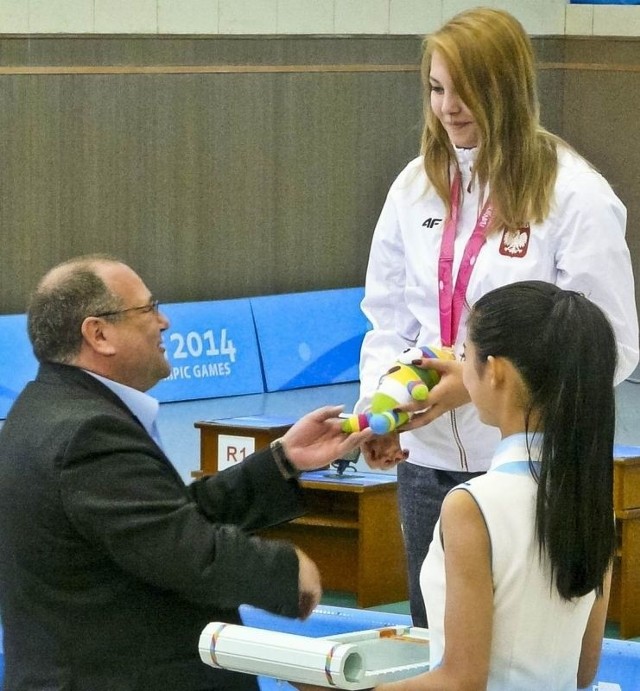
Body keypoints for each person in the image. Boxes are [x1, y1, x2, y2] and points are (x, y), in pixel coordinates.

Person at [356, 6, 639, 627]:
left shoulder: (575, 195)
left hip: (532, 468)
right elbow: (386, 320)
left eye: (468, 91)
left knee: (524, 652)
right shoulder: (412, 188)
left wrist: (477, 383)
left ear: (508, 90)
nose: (449, 108)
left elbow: (609, 345)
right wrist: (382, 408)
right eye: (437, 89)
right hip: (426, 468)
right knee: (435, 647)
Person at [0, 255, 372, 691]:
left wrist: (282, 460)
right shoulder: (87, 432)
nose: (165, 322)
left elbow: (160, 521)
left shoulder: (44, 409)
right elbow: (185, 552)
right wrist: (287, 571)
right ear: (98, 333)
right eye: (148, 309)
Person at [299, 280, 617, 690]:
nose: (459, 367)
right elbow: (582, 673)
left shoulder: (472, 506)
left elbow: (461, 682)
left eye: (465, 355)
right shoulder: (591, 498)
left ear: (496, 372)